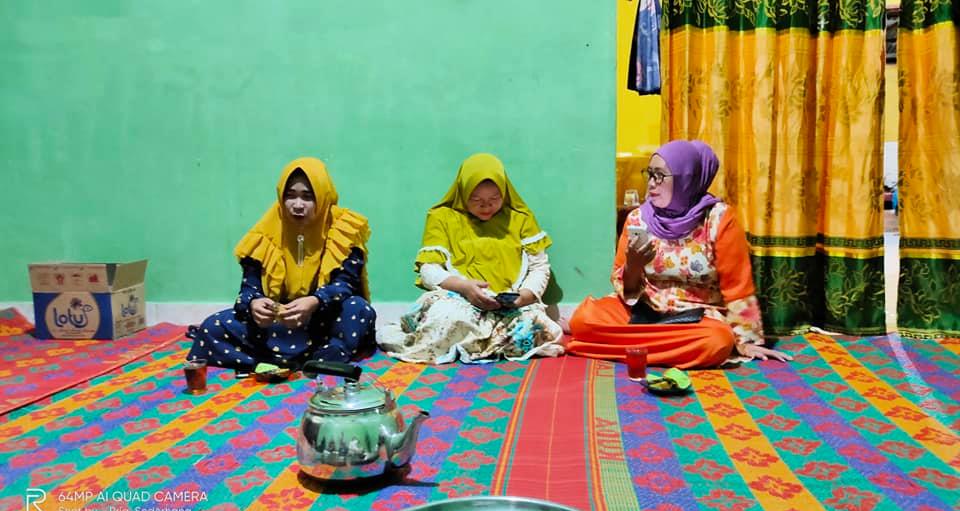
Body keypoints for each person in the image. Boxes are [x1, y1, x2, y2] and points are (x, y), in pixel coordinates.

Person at [567, 140, 790, 367]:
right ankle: (659, 348)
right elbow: (626, 289)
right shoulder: (638, 218)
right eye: (650, 174)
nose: (651, 183)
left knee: (716, 342)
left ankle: (625, 346)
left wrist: (747, 340)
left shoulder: (718, 219)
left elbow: (737, 286)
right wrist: (633, 267)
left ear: (687, 179)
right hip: (645, 311)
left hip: (696, 319)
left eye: (660, 176)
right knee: (583, 320)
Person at [186, 157, 375, 372]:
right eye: (290, 196)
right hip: (278, 323)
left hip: (322, 320)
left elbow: (346, 284)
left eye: (307, 197)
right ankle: (306, 362)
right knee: (213, 326)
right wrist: (254, 304)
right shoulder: (265, 231)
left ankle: (298, 358)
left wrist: (315, 301)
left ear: (323, 198)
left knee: (358, 310)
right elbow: (248, 288)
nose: (297, 205)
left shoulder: (344, 229)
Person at [377, 153, 563, 364]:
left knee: (545, 329)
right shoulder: (442, 217)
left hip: (509, 306)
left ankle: (478, 341)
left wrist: (524, 296)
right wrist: (464, 287)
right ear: (463, 193)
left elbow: (539, 266)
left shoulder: (520, 218)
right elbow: (428, 269)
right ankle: (485, 342)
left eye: (495, 199)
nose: (486, 206)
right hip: (460, 300)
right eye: (476, 200)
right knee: (447, 319)